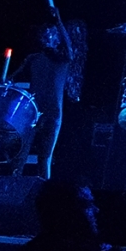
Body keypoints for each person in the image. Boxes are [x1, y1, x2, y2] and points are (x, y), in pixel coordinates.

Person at [10, 15, 87, 179]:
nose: (47, 38)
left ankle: (45, 188)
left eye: (51, 35)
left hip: (52, 113)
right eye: (44, 35)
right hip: (32, 112)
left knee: (44, 157)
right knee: (21, 155)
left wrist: (58, 20)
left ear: (57, 39)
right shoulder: (33, 58)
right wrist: (6, 82)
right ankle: (12, 185)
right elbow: (12, 78)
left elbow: (69, 48)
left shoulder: (63, 59)